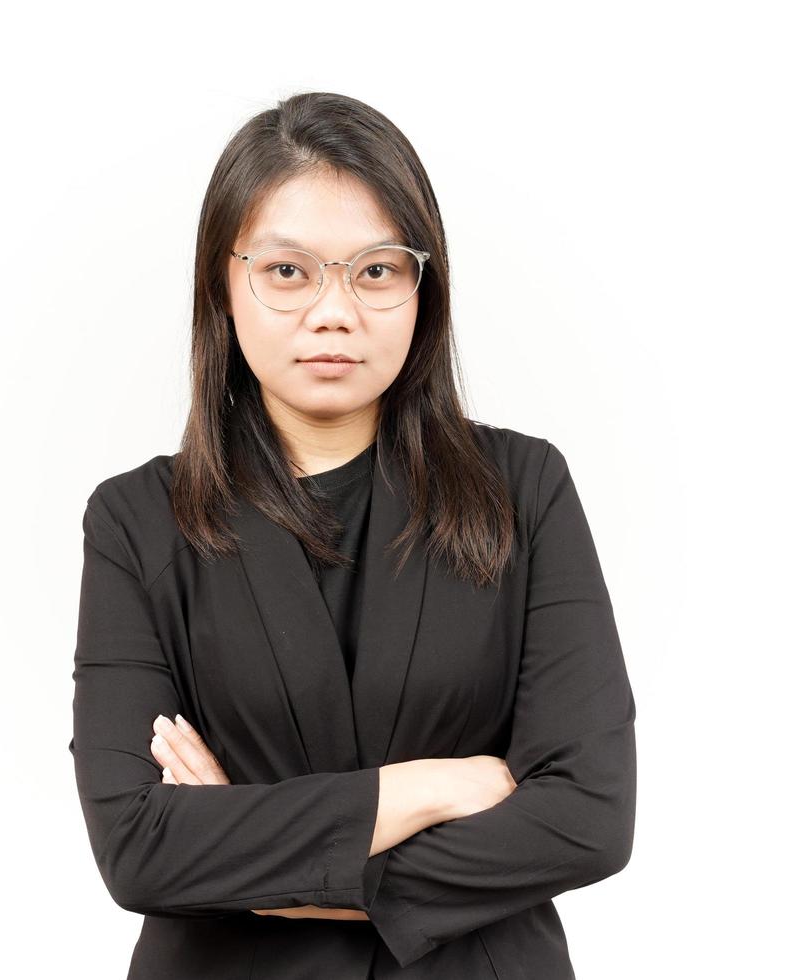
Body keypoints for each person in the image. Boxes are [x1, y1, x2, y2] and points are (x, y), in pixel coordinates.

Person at [70, 91, 637, 979]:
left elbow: (589, 817)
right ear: (224, 283)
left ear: (423, 286)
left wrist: (274, 861)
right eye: (288, 271)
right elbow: (139, 844)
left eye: (376, 270)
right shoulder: (137, 521)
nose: (334, 312)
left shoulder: (523, 491)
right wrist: (428, 788)